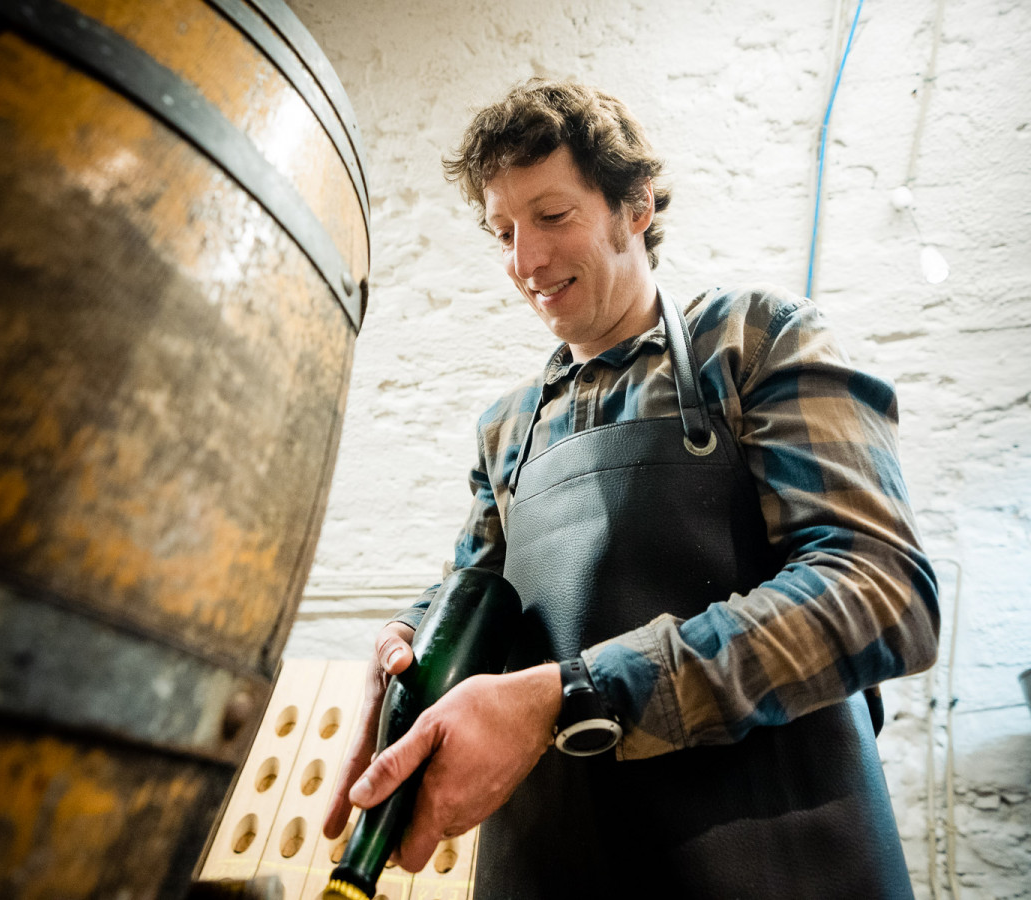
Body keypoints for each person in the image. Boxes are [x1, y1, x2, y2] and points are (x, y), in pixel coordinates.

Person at [322, 79, 939, 898]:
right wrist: (411, 640)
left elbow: (881, 592)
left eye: (551, 216)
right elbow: (477, 594)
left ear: (636, 204)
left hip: (783, 861)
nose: (524, 262)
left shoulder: (753, 341)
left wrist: (573, 696)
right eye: (503, 230)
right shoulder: (509, 431)